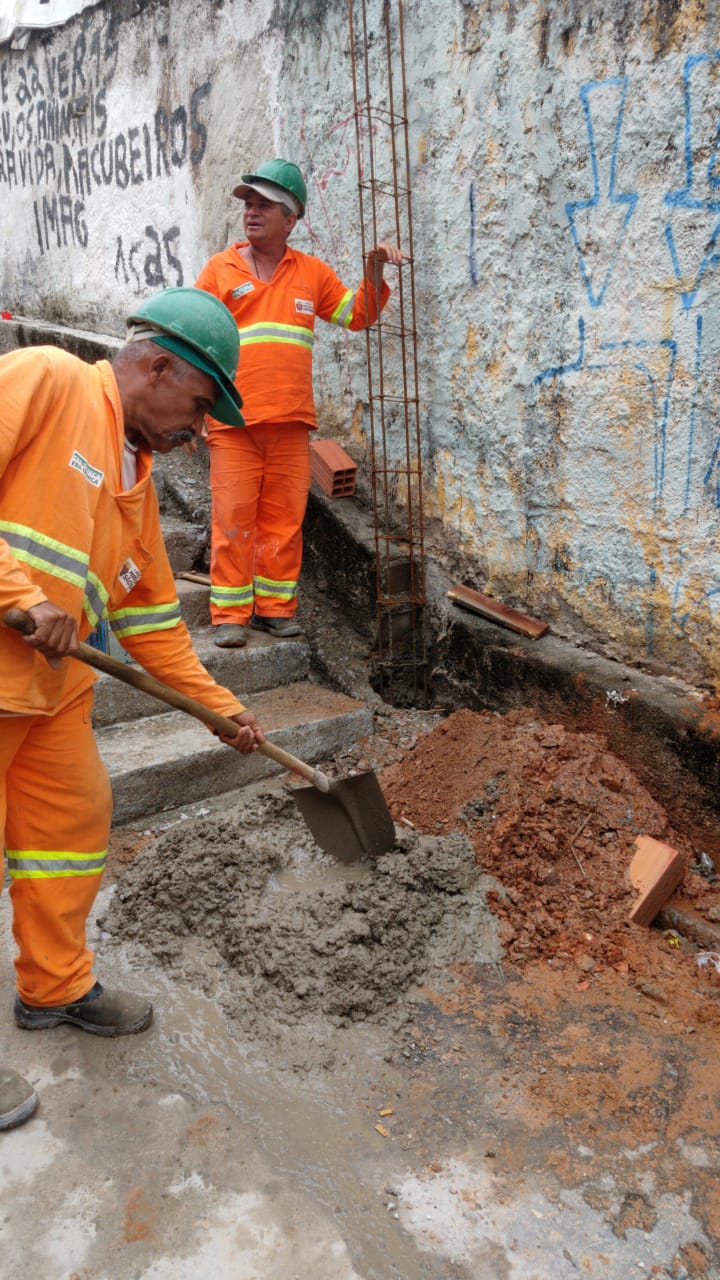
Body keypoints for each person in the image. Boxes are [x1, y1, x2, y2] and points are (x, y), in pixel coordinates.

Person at [0, 286, 266, 1130]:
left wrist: (219, 709)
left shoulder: (137, 479)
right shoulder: (46, 381)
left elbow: (153, 626)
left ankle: (57, 987)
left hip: (52, 698)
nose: (196, 432)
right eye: (196, 406)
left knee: (72, 828)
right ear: (156, 367)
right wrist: (17, 593)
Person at [194, 158, 406, 648]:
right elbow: (197, 342)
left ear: (291, 218)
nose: (251, 212)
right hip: (233, 421)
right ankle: (229, 613)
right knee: (233, 517)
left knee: (284, 522)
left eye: (264, 204)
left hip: (290, 425)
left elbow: (357, 315)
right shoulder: (219, 270)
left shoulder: (311, 273)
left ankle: (274, 608)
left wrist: (372, 274)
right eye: (248, 203)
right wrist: (196, 413)